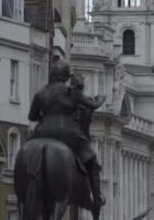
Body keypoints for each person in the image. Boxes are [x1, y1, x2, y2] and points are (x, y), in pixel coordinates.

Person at [28, 60, 106, 207]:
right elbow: (93, 105)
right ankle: (97, 198)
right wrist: (102, 98)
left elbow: (32, 117)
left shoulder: (40, 93)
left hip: (42, 132)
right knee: (91, 160)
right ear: (65, 77)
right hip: (68, 132)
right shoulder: (71, 93)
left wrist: (45, 118)